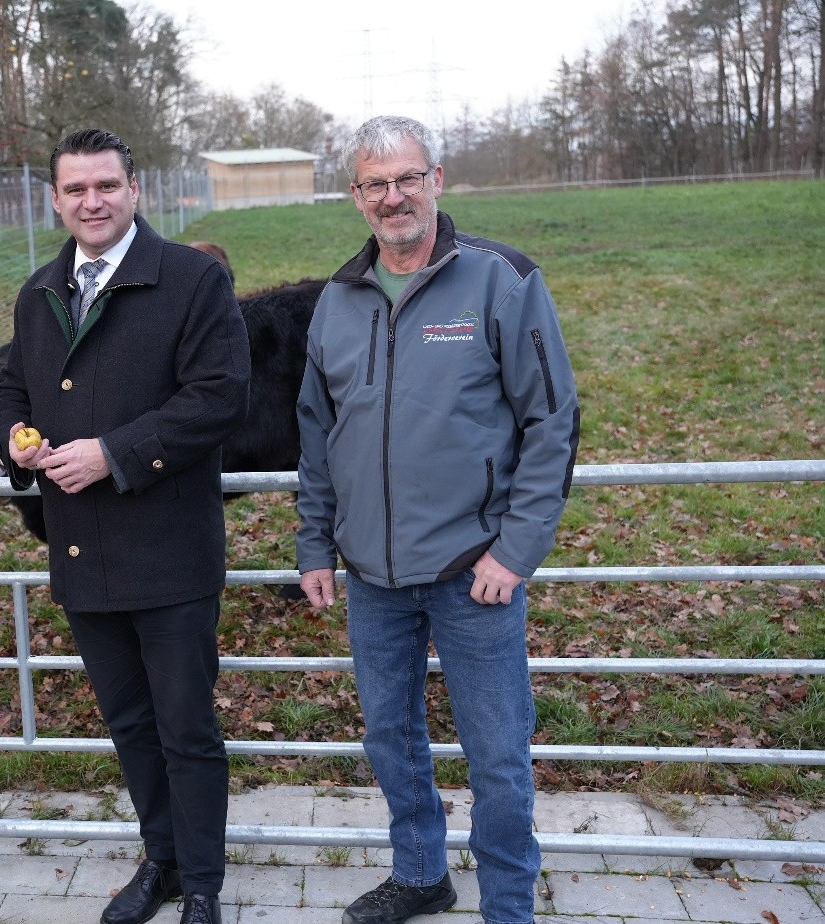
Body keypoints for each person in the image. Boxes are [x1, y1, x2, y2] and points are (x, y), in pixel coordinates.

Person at [295, 115, 580, 924]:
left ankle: (510, 907)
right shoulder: (337, 305)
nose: (395, 197)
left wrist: (516, 552)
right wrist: (316, 542)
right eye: (377, 183)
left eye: (408, 178)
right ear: (356, 197)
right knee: (391, 742)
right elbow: (317, 436)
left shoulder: (501, 280)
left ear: (437, 181)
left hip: (474, 575)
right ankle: (421, 873)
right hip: (372, 579)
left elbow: (552, 422)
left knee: (496, 760)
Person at [0, 128, 250, 924]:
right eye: (76, 190)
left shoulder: (192, 281)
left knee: (186, 727)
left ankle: (202, 883)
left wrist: (113, 452)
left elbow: (219, 396)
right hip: (81, 549)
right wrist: (12, 435)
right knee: (131, 724)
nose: (91, 202)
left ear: (135, 190)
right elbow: (6, 387)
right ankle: (161, 862)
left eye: (106, 186)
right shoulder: (40, 292)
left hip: (168, 549)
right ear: (57, 200)